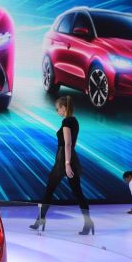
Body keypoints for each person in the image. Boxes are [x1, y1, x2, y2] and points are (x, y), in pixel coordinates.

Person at [30, 96, 94, 235]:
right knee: (76, 193)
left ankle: (41, 220)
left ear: (64, 108)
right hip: (67, 158)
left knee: (52, 191)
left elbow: (68, 143)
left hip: (64, 159)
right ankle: (88, 223)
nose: (57, 111)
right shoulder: (74, 121)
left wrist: (66, 164)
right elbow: (72, 144)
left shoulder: (67, 121)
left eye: (57, 108)